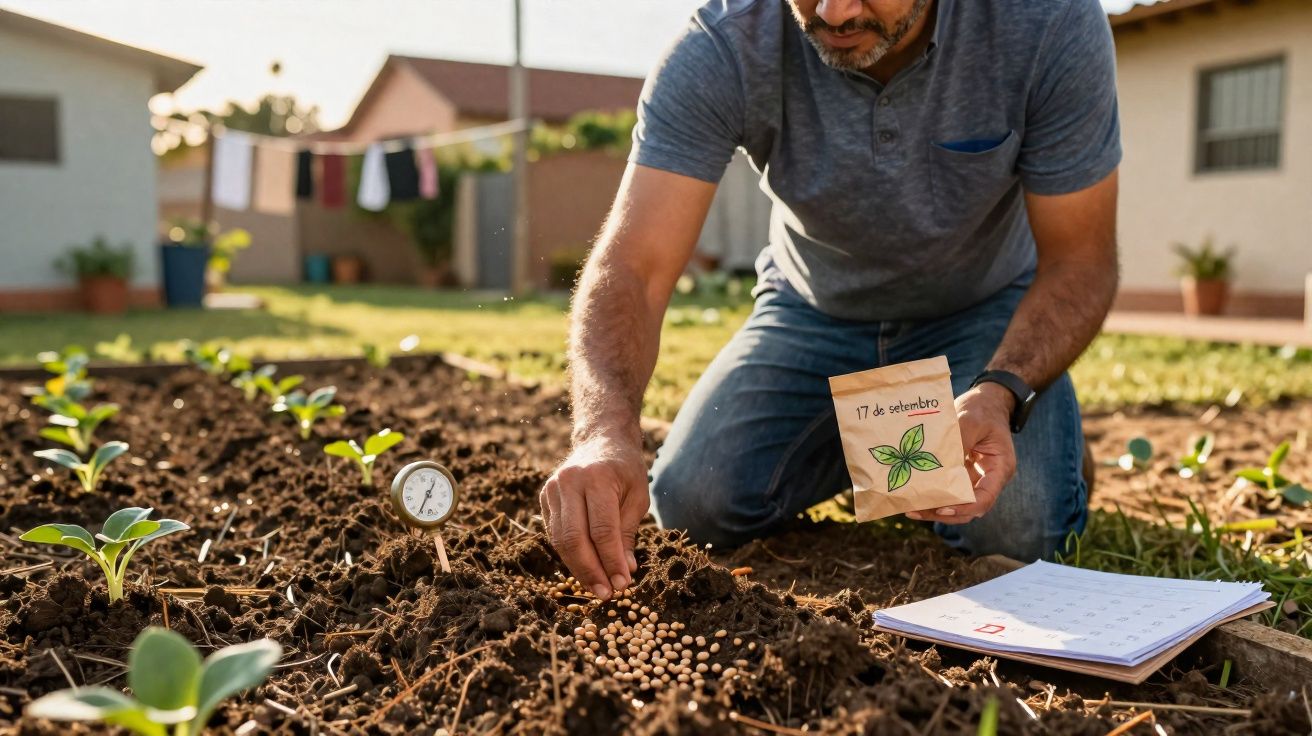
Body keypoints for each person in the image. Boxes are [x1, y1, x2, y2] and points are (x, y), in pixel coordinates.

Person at [539, 0, 1120, 602]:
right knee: (694, 506)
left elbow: (1081, 261)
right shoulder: (724, 43)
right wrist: (603, 433)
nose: (834, 13)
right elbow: (633, 265)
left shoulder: (1047, 22)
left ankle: (1031, 444)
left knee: (1016, 529)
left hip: (982, 316)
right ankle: (890, 448)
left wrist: (1004, 393)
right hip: (812, 313)